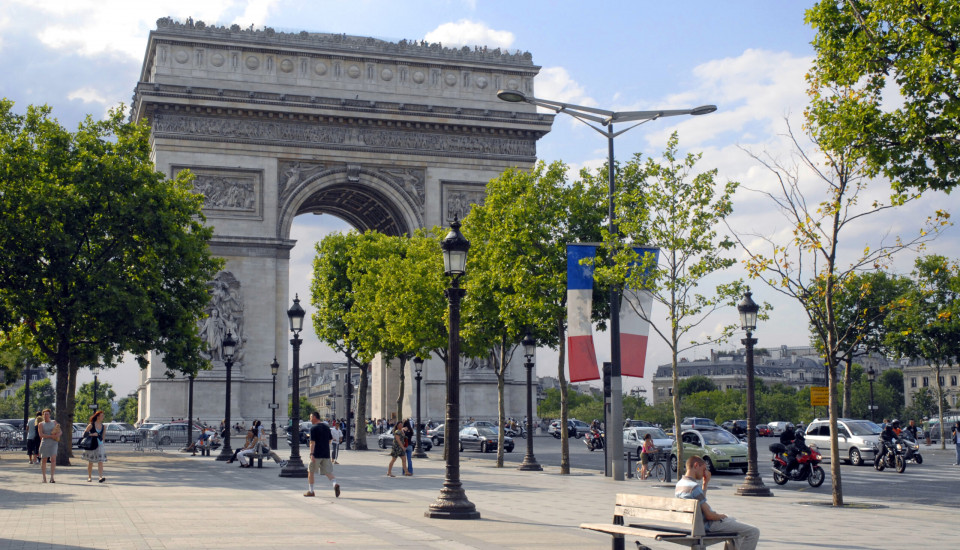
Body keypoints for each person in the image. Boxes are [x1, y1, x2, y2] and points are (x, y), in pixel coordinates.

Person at [676, 456, 760, 550]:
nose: (705, 473)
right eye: (704, 469)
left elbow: (699, 503)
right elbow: (709, 516)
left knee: (733, 523)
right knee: (753, 531)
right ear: (696, 465)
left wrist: (705, 484)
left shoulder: (680, 484)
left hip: (694, 524)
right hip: (707, 525)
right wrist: (721, 516)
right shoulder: (694, 487)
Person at [305, 411, 339, 497]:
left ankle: (311, 491)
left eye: (310, 417)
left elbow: (312, 443)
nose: (310, 419)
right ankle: (335, 484)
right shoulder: (327, 427)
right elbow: (329, 440)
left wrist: (311, 454)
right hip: (326, 453)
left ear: (314, 417)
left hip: (316, 454)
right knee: (328, 472)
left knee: (311, 471)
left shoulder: (313, 428)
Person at [82, 410, 108, 482]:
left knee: (100, 461)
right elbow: (84, 434)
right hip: (92, 445)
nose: (103, 417)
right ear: (98, 416)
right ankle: (89, 477)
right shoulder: (91, 425)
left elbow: (103, 437)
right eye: (102, 415)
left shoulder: (103, 426)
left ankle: (100, 477)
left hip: (100, 445)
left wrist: (102, 442)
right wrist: (92, 434)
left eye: (103, 416)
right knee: (91, 461)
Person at [37, 409, 60, 483]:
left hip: (53, 443)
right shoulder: (41, 424)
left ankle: (52, 477)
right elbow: (41, 435)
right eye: (45, 414)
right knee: (44, 460)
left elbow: (60, 431)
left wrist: (57, 435)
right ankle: (44, 477)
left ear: (50, 415)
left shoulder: (54, 422)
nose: (46, 415)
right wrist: (50, 436)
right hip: (45, 443)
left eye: (47, 414)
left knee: (53, 458)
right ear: (43, 415)